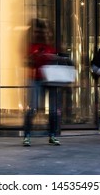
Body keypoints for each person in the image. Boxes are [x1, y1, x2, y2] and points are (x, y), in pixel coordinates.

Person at [23, 18, 60, 146]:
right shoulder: (32, 47)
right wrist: (35, 57)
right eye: (37, 32)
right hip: (36, 79)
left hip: (50, 81)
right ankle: (27, 135)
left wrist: (51, 58)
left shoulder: (50, 47)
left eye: (41, 32)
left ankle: (52, 135)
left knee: (53, 110)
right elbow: (27, 62)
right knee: (33, 108)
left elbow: (56, 62)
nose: (39, 34)